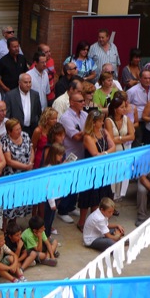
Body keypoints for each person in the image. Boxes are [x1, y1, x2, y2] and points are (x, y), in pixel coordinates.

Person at [77, 110, 115, 230]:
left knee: (100, 195)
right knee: (89, 196)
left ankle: (95, 222)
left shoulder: (104, 132)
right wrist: (106, 153)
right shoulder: (88, 137)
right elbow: (94, 154)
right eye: (100, 121)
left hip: (103, 169)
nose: (102, 122)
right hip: (91, 170)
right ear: (93, 123)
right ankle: (82, 222)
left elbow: (113, 146)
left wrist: (104, 153)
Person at [57, 92, 88, 224]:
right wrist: (87, 133)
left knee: (78, 182)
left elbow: (86, 133)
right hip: (70, 154)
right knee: (68, 182)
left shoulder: (85, 115)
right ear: (72, 102)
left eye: (83, 100)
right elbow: (75, 137)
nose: (83, 103)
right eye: (80, 101)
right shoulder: (66, 117)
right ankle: (63, 210)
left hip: (82, 153)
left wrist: (85, 133)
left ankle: (71, 207)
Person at [0, 118, 34, 228]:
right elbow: (9, 160)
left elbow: (31, 149)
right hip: (12, 175)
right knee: (9, 202)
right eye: (16, 129)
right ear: (9, 131)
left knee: (20, 201)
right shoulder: (5, 140)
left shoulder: (25, 135)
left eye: (20, 128)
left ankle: (13, 226)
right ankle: (4, 228)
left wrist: (30, 162)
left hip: (26, 174)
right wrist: (25, 166)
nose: (19, 131)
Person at [105, 95, 135, 201]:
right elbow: (110, 139)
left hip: (123, 152)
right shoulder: (108, 121)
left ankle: (116, 197)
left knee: (120, 176)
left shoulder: (126, 119)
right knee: (112, 177)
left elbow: (132, 136)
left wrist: (120, 138)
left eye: (124, 107)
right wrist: (124, 138)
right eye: (122, 107)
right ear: (115, 109)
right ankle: (110, 198)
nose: (124, 109)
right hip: (113, 153)